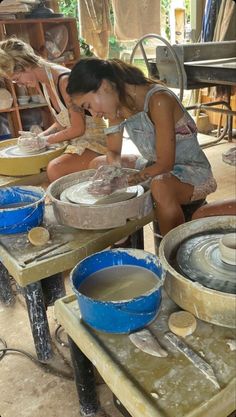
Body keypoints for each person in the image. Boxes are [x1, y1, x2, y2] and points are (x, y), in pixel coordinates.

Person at [66, 58, 217, 236]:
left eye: (88, 106)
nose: (94, 115)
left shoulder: (159, 100)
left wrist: (123, 182)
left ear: (104, 85)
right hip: (155, 165)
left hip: (192, 172)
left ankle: (170, 251)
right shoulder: (117, 106)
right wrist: (113, 170)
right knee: (97, 164)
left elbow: (165, 164)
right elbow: (113, 151)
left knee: (160, 186)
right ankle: (123, 237)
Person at [0, 38, 108, 182]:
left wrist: (45, 140)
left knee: (54, 168)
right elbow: (61, 122)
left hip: (95, 141)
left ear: (25, 65)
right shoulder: (41, 82)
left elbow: (78, 129)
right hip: (74, 142)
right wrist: (38, 137)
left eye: (17, 79)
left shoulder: (64, 81)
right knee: (39, 164)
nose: (19, 85)